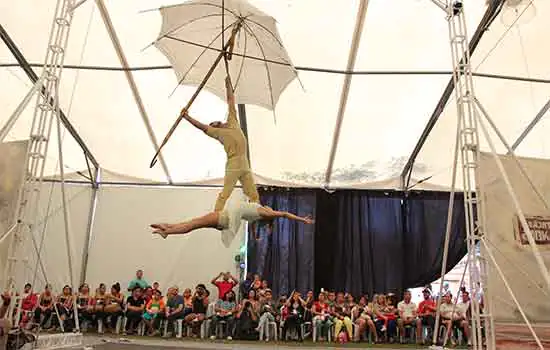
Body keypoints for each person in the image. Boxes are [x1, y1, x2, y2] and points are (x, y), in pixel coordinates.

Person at [181, 75, 259, 213]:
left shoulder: (232, 120)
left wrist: (228, 85)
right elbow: (202, 126)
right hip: (233, 163)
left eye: (214, 122)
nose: (213, 124)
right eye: (212, 124)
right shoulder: (217, 133)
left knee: (253, 195)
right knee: (226, 193)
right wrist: (187, 117)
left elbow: (231, 100)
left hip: (244, 162)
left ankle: (257, 213)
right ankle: (216, 213)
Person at [151, 201, 314, 248]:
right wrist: (255, 235)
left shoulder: (265, 212)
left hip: (224, 218)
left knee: (193, 223)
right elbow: (251, 224)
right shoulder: (258, 212)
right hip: (224, 222)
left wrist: (302, 219)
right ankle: (167, 228)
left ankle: (168, 230)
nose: (270, 207)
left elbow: (284, 214)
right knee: (193, 224)